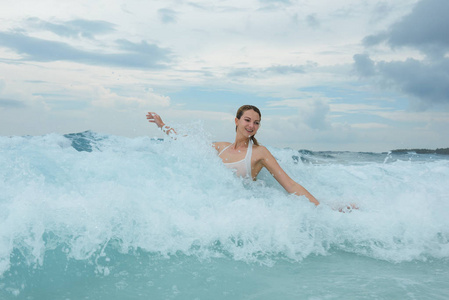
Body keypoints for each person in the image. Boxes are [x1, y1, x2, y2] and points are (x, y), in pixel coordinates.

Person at [146, 105, 320, 206]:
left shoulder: (260, 153)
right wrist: (162, 125)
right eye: (247, 120)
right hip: (218, 206)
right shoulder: (220, 147)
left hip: (240, 208)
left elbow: (290, 185)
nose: (251, 125)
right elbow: (186, 142)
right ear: (236, 121)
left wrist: (320, 209)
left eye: (256, 123)